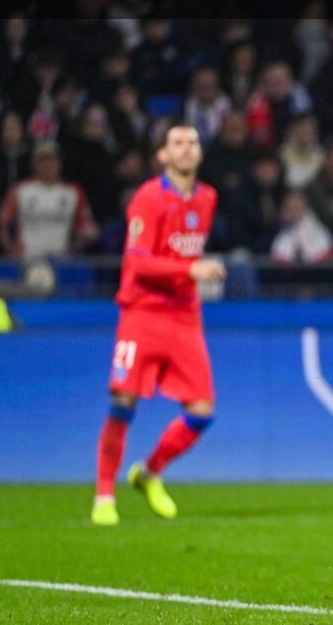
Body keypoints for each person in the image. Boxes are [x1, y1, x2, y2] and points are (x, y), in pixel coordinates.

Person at [91, 124, 226, 526]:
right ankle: (104, 496)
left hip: (184, 315)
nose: (186, 149)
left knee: (202, 411)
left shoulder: (207, 198)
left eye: (193, 143)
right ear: (163, 155)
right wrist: (191, 269)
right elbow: (138, 262)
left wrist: (190, 273)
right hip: (143, 312)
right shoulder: (148, 198)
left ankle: (149, 473)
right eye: (177, 143)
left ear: (200, 153)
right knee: (123, 403)